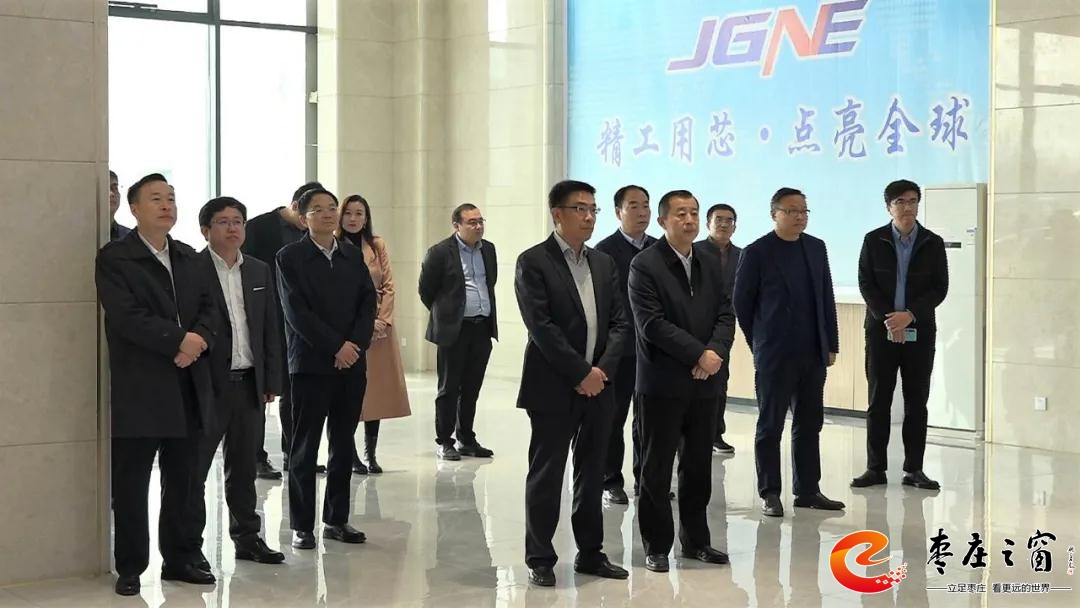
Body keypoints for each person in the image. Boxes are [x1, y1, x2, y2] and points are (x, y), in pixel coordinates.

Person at [96, 173, 218, 595]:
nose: (166, 205)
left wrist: (197, 342)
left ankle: (180, 559)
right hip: (142, 386)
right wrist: (178, 341)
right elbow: (126, 317)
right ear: (134, 208)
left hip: (188, 381)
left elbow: (210, 309)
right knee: (132, 482)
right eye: (155, 199)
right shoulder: (117, 258)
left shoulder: (188, 257)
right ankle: (131, 566)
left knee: (184, 478)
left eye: (171, 198)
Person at [515, 180, 632, 587]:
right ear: (557, 214)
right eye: (580, 208)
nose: (588, 217)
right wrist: (581, 373)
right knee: (547, 474)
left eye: (592, 209)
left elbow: (620, 323)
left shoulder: (603, 263)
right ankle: (540, 557)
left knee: (593, 471)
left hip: (600, 386)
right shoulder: (534, 261)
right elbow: (541, 327)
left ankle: (591, 553)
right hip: (552, 386)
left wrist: (601, 372)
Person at [628, 190, 735, 573]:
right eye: (680, 214)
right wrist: (697, 355)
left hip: (705, 383)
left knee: (698, 466)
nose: (688, 220)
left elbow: (726, 313)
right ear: (663, 221)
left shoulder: (708, 259)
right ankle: (656, 546)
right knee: (656, 469)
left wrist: (714, 353)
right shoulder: (645, 264)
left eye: (693, 213)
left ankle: (696, 541)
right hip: (662, 383)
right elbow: (652, 324)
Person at [733, 187, 845, 518]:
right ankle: (769, 492)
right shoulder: (757, 252)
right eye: (792, 211)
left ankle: (807, 490)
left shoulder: (816, 247)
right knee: (770, 425)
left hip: (812, 352)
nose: (799, 217)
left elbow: (826, 296)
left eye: (804, 211)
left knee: (810, 423)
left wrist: (831, 343)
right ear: (775, 214)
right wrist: (760, 343)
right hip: (775, 354)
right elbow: (742, 303)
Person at [276, 187, 377, 549]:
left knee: (343, 444)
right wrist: (336, 346)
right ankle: (302, 526)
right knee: (305, 447)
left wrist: (354, 346)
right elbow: (296, 312)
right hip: (310, 364)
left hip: (352, 364)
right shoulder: (290, 257)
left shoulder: (351, 255)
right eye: (318, 209)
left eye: (332, 207)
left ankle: (337, 519)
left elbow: (368, 303)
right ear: (304, 219)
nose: (328, 213)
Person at [189, 196, 286, 568]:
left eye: (238, 221)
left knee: (244, 468)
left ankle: (247, 538)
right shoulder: (192, 269)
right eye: (223, 221)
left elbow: (270, 327)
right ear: (206, 230)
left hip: (248, 384)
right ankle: (189, 546)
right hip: (206, 385)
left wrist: (271, 378)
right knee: (194, 469)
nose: (232, 228)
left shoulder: (259, 270)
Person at [851, 179, 948, 491]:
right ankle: (875, 468)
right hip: (881, 331)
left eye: (912, 201)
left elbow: (939, 287)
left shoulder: (932, 242)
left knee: (916, 401)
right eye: (900, 202)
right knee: (878, 400)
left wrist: (910, 315)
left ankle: (914, 469)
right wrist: (889, 319)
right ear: (888, 207)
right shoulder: (874, 240)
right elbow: (865, 283)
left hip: (919, 331)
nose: (907, 207)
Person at [242, 181, 324, 478]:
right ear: (296, 206)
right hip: (262, 320)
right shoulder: (259, 227)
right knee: (260, 393)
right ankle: (255, 457)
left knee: (294, 392)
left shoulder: (312, 235)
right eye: (310, 213)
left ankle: (295, 454)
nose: (312, 221)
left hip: (296, 325)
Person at [337, 194, 412, 474]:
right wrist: (365, 324)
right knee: (348, 395)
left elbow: (389, 285)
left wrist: (382, 320)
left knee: (375, 393)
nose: (353, 219)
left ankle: (371, 453)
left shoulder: (376, 245)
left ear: (366, 218)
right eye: (348, 213)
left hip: (380, 332)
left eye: (359, 213)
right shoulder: (334, 245)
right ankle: (350, 453)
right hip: (349, 331)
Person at [418, 204, 498, 461]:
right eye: (472, 222)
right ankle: (445, 441)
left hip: (482, 327)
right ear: (456, 225)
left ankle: (466, 438)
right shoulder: (440, 252)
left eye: (480, 221)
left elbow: (490, 282)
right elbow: (426, 291)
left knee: (472, 387)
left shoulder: (488, 249)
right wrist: (447, 315)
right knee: (449, 388)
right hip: (454, 330)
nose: (478, 226)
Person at [593, 184, 657, 504]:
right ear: (618, 212)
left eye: (646, 205)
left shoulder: (659, 249)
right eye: (634, 206)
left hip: (653, 351)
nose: (642, 212)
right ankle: (610, 480)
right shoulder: (603, 252)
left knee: (649, 419)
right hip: (619, 350)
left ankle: (647, 478)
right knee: (614, 417)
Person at [697, 203, 742, 455]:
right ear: (708, 224)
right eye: (719, 219)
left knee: (720, 379)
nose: (724, 224)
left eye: (729, 220)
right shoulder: (695, 251)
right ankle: (687, 436)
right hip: (696, 323)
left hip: (726, 325)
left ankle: (716, 434)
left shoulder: (742, 255)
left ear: (735, 226)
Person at [108, 170, 132, 241]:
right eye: (105, 188)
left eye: (115, 188)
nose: (111, 194)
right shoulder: (79, 233)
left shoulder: (130, 238)